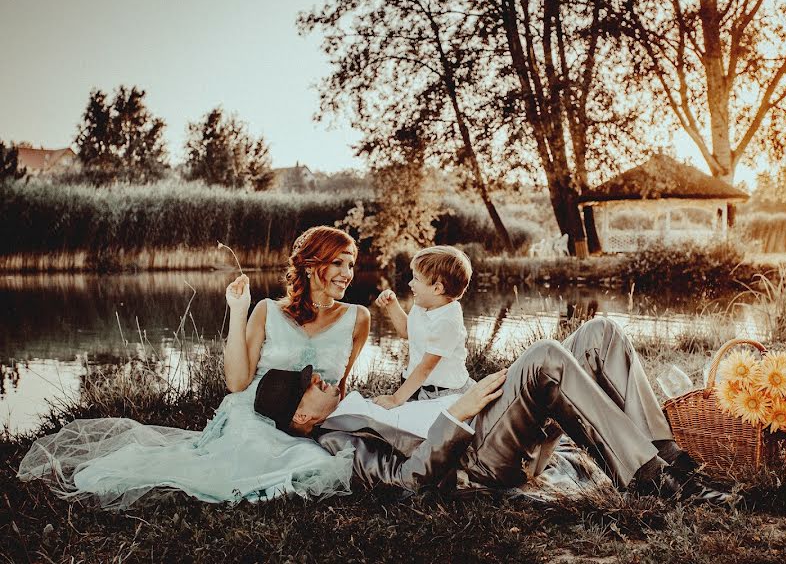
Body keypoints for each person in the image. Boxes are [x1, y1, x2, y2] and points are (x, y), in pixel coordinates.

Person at [18, 226, 371, 509]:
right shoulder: (267, 310)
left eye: (351, 264)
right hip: (254, 412)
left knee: (317, 462)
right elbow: (237, 382)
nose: (347, 273)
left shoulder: (359, 318)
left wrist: (320, 417)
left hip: (314, 418)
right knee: (262, 457)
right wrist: (237, 309)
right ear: (311, 266)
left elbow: (342, 384)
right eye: (338, 263)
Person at [255, 317, 733, 505]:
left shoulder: (355, 406)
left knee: (600, 334)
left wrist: (442, 400)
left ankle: (669, 458)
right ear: (301, 419)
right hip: (474, 459)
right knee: (545, 355)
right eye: (308, 387)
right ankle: (648, 479)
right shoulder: (336, 443)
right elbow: (407, 483)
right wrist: (458, 413)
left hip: (481, 424)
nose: (319, 379)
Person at [372, 246, 474, 407]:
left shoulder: (447, 321)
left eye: (416, 279)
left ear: (437, 288)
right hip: (418, 387)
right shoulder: (423, 304)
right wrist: (391, 305)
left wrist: (396, 399)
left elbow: (426, 367)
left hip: (444, 394)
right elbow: (406, 331)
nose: (410, 283)